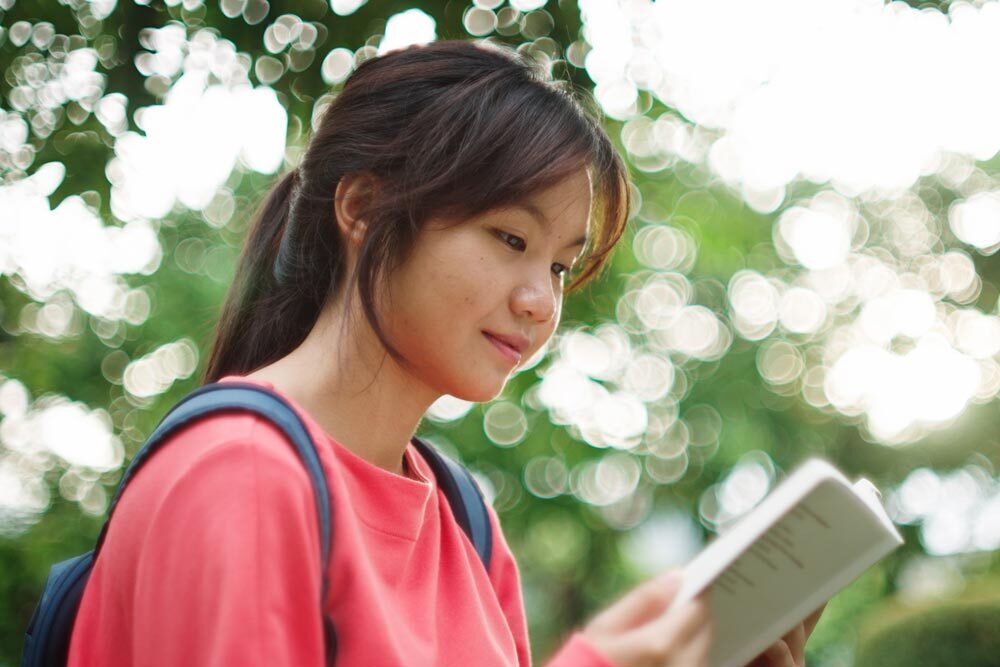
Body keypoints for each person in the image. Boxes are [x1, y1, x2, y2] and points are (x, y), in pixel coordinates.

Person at [67, 40, 823, 666]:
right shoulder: (241, 478)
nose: (541, 300)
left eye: (559, 266)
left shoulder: (466, 521)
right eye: (510, 239)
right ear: (363, 209)